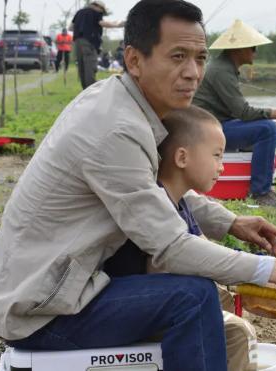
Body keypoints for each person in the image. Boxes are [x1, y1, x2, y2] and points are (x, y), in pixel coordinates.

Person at [0, 2, 276, 371]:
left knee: (185, 285)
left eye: (200, 58)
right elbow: (170, 246)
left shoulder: (121, 101)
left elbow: (152, 189)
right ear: (135, 60)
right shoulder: (117, 129)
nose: (192, 73)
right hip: (41, 312)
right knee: (192, 297)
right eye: (177, 57)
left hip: (46, 291)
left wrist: (230, 222)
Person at [104, 105, 260, 371]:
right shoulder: (159, 206)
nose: (221, 167)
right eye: (216, 155)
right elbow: (165, 271)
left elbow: (201, 251)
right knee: (237, 333)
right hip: (127, 311)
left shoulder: (178, 201)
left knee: (222, 306)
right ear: (182, 157)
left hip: (149, 305)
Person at [193, 19, 276, 209]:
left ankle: (262, 185)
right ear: (238, 49)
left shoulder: (224, 67)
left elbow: (238, 111)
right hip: (207, 131)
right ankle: (260, 192)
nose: (255, 52)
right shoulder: (222, 71)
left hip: (214, 124)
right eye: (253, 47)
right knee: (267, 129)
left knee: (263, 127)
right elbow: (244, 112)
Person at [69, 0, 124, 89]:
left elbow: (71, 28)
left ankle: (85, 90)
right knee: (90, 67)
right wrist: (117, 25)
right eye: (102, 10)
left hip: (78, 42)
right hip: (89, 43)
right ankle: (91, 90)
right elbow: (102, 23)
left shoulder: (79, 12)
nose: (102, 13)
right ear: (98, 7)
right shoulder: (95, 13)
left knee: (82, 67)